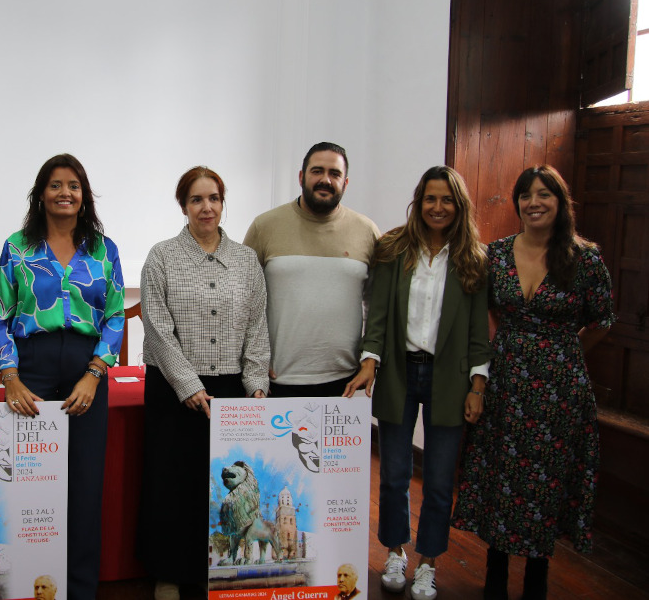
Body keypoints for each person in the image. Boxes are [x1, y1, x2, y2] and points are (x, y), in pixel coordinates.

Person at [452, 165, 615, 600]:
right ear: (518, 203)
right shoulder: (497, 253)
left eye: (545, 194)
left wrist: (567, 352)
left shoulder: (584, 258)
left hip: (560, 390)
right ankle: (495, 575)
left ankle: (537, 579)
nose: (534, 202)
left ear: (560, 202)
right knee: (500, 473)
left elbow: (602, 320)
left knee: (547, 481)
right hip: (505, 380)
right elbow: (487, 311)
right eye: (526, 195)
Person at [343, 166, 490, 600]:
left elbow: (478, 332)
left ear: (458, 205)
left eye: (447, 200)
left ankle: (428, 562)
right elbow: (378, 314)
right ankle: (395, 552)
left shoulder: (473, 259)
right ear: (418, 201)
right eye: (430, 198)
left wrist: (477, 385)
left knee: (440, 481)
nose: (438, 207)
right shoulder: (394, 248)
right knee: (394, 474)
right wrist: (370, 359)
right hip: (399, 372)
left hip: (450, 377)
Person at [0, 153, 125, 600]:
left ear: (84, 195)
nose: (65, 192)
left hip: (87, 369)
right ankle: (28, 586)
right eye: (55, 185)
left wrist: (94, 373)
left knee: (84, 487)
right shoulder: (17, 247)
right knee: (30, 484)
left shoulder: (104, 249)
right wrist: (10, 376)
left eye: (73, 185)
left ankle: (80, 590)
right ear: (41, 194)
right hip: (31, 367)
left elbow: (114, 317)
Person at [138, 166, 270, 600]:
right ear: (184, 206)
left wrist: (256, 383)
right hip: (172, 389)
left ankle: (208, 570)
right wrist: (187, 383)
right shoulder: (162, 257)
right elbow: (157, 327)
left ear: (222, 202)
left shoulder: (246, 261)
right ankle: (168, 574)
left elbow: (257, 325)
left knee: (215, 486)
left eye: (213, 198)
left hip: (230, 390)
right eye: (196, 199)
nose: (206, 207)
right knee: (171, 483)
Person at [244, 141, 380, 397]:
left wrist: (370, 358)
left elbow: (377, 306)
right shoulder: (265, 226)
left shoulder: (367, 231)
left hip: (346, 382)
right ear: (301, 177)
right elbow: (242, 301)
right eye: (317, 171)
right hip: (276, 380)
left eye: (334, 173)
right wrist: (252, 363)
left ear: (345, 183)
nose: (325, 180)